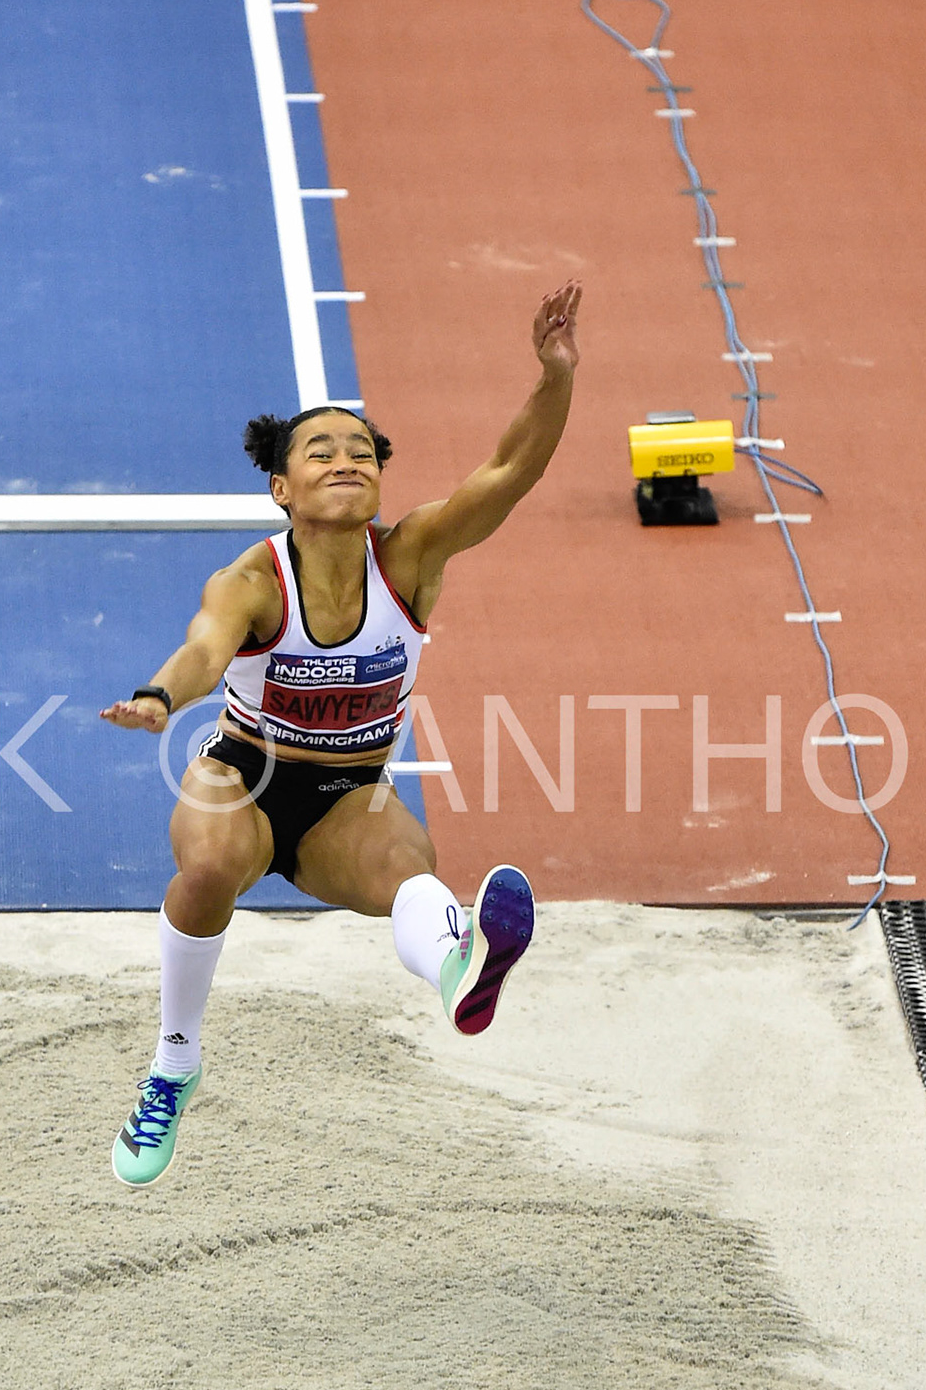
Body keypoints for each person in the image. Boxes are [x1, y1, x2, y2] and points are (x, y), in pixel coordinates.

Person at [99, 280, 583, 1187]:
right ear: (281, 487)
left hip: (346, 798)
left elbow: (509, 472)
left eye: (362, 451)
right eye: (320, 452)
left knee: (412, 868)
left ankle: (459, 970)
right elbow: (203, 653)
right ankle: (174, 1062)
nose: (345, 460)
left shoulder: (411, 558)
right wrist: (160, 698)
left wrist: (553, 379)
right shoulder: (252, 579)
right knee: (205, 873)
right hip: (243, 772)